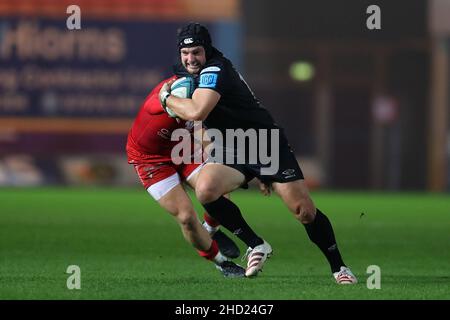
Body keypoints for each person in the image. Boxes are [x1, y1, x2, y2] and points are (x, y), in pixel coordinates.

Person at [158, 22, 358, 284]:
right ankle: (256, 244)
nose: (190, 59)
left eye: (196, 52)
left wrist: (166, 99)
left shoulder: (216, 69)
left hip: (264, 143)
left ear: (206, 50)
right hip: (231, 146)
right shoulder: (185, 72)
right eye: (185, 54)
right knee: (206, 190)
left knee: (304, 211)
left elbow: (197, 112)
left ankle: (339, 267)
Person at [126, 75, 268, 277]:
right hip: (150, 160)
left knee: (216, 188)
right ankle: (222, 263)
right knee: (186, 218)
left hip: (181, 145)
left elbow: (199, 127)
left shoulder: (195, 90)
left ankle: (209, 230)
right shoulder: (158, 104)